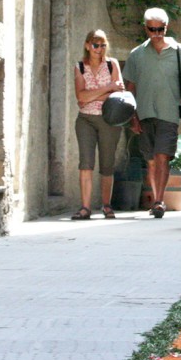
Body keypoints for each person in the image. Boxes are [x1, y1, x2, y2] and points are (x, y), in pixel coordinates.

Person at [123, 8, 181, 218]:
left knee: (162, 156)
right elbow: (130, 87)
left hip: (168, 112)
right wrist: (132, 116)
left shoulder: (178, 51)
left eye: (160, 29)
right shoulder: (137, 54)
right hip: (144, 111)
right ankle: (156, 198)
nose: (156, 33)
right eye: (152, 29)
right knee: (151, 160)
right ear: (145, 28)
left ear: (167, 27)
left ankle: (158, 201)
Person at [72, 30, 125, 220]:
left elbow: (118, 93)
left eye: (103, 45)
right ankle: (85, 207)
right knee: (85, 163)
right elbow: (80, 96)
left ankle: (106, 205)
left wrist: (91, 95)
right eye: (95, 45)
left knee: (107, 164)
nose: (99, 49)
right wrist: (107, 88)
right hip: (85, 119)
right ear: (87, 45)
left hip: (109, 118)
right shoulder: (79, 67)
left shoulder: (112, 65)